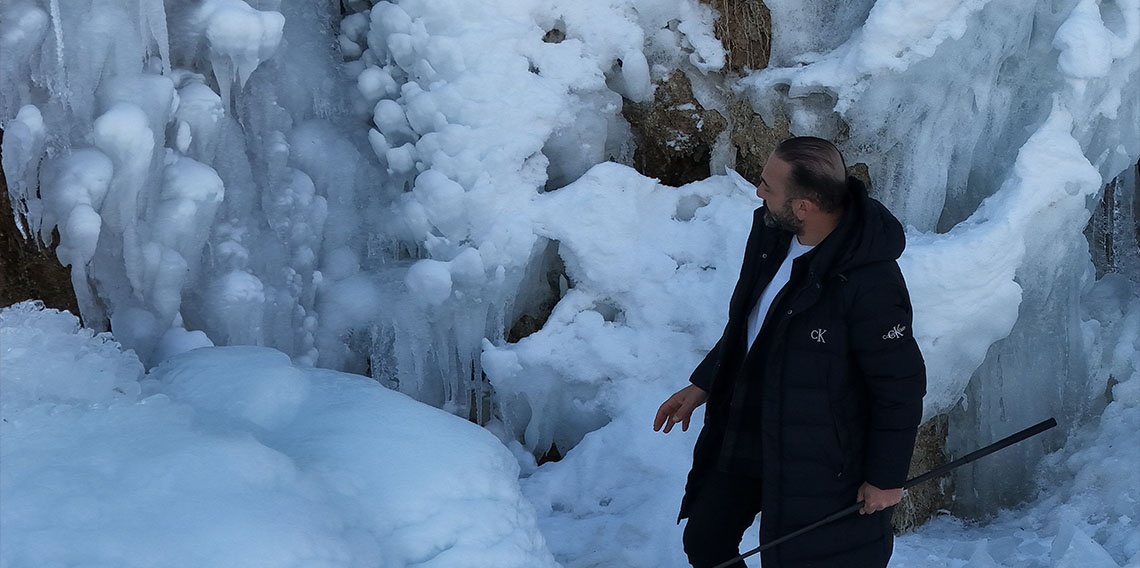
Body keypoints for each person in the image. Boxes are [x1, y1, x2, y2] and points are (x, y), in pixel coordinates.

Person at [654, 137, 926, 568]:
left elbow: (899, 387)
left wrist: (886, 478)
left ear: (804, 206)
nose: (759, 192)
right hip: (750, 428)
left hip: (819, 456)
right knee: (706, 541)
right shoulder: (771, 235)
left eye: (768, 186)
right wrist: (703, 383)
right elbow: (753, 323)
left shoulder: (870, 284)